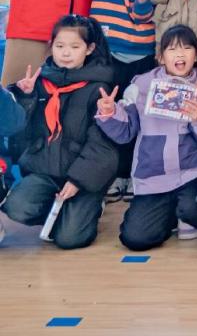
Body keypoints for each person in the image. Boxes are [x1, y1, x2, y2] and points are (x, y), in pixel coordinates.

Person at [0, 15, 118, 249]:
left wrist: (78, 180)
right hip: (44, 172)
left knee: (70, 239)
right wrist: (25, 97)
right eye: (60, 46)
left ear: (89, 49)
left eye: (75, 47)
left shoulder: (99, 89)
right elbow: (18, 133)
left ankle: (90, 206)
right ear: (51, 46)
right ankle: (57, 214)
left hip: (81, 178)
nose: (66, 53)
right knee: (17, 207)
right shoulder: (39, 82)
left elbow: (103, 144)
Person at [95, 25, 197, 251]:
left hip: (193, 172)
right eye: (172, 49)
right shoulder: (141, 85)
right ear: (160, 57)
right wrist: (110, 112)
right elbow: (125, 132)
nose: (180, 54)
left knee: (193, 210)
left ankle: (187, 215)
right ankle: (168, 214)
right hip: (154, 176)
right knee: (135, 238)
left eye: (186, 48)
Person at [76, 0, 160, 201]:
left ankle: (132, 174)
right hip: (106, 56)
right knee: (106, 115)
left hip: (141, 58)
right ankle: (110, 175)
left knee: (137, 117)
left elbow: (142, 17)